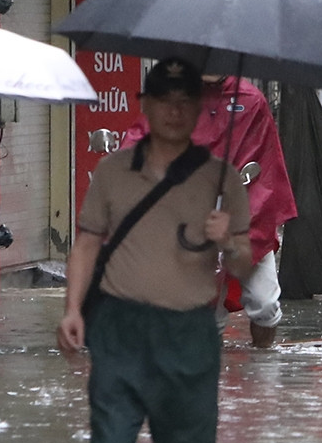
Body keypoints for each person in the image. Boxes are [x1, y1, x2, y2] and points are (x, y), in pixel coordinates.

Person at [57, 59, 252, 443]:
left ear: (200, 109)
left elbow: (244, 266)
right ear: (143, 104)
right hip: (119, 328)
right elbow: (87, 244)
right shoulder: (112, 171)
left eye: (186, 102)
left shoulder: (221, 180)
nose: (175, 111)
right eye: (165, 100)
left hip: (189, 335)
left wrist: (227, 242)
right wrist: (72, 310)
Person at [119, 74, 299, 348]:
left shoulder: (251, 101)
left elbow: (266, 163)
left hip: (246, 218)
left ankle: (265, 373)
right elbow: (142, 138)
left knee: (264, 305)